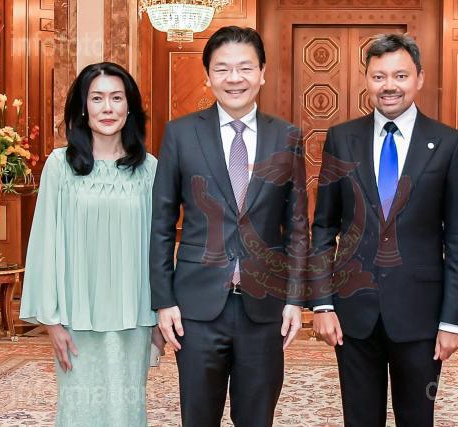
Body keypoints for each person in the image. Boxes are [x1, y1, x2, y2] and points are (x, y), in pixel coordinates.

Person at [310, 33, 458, 426]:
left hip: (421, 314)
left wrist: (453, 321)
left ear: (419, 78)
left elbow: (457, 239)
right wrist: (323, 303)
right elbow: (323, 227)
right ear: (366, 80)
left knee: (417, 418)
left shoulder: (449, 143)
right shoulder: (341, 139)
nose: (389, 86)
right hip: (353, 312)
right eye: (379, 76)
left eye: (400, 75)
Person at [150, 26, 308, 427]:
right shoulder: (181, 134)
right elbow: (161, 223)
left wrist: (294, 299)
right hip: (197, 307)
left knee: (257, 418)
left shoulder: (287, 136)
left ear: (262, 73)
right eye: (222, 69)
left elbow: (297, 226)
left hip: (265, 308)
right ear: (208, 76)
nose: (234, 78)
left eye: (245, 68)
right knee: (198, 418)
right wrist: (163, 301)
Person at [19, 62, 164, 426]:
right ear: (83, 107)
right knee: (78, 411)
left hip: (133, 316)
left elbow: (159, 248)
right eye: (97, 98)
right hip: (76, 317)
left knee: (127, 411)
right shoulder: (60, 166)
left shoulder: (149, 169)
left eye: (117, 98)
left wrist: (160, 318)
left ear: (130, 106)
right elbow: (45, 243)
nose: (107, 108)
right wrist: (52, 322)